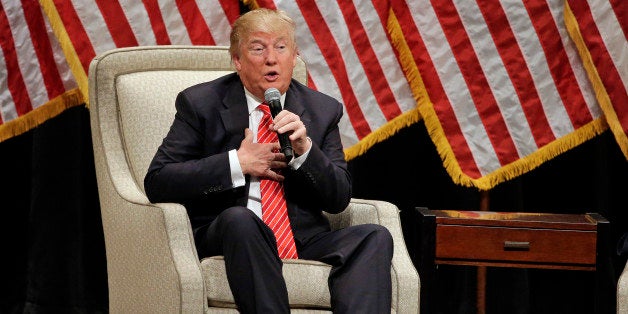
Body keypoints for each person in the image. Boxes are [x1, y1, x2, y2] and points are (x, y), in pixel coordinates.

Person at [144, 8, 393, 314]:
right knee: (240, 219)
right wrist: (237, 162)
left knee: (373, 236)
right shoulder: (201, 103)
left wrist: (305, 152)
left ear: (295, 56)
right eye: (258, 48)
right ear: (237, 60)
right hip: (230, 233)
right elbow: (158, 181)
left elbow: (338, 198)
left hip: (302, 238)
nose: (271, 59)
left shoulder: (322, 110)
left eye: (281, 47)